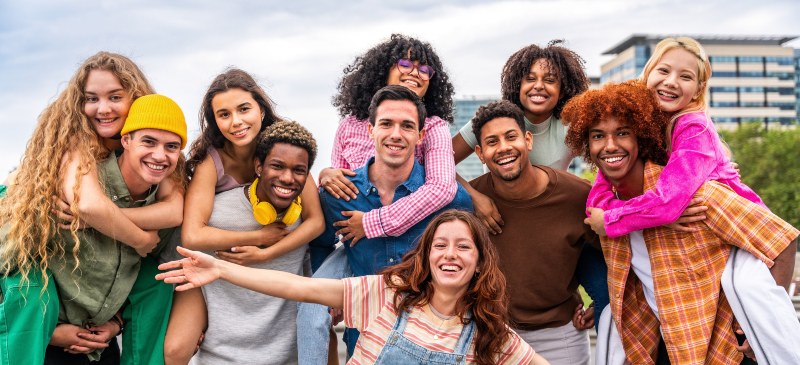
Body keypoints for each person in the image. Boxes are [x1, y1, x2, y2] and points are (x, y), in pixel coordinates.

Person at [563, 80, 800, 364]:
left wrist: (762, 326)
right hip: (667, 345)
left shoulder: (698, 197)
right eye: (598, 136)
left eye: (622, 133)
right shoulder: (608, 214)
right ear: (587, 145)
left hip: (728, 351)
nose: (610, 145)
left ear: (642, 137)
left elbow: (783, 241)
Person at [157, 210, 550, 365]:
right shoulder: (387, 294)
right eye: (440, 245)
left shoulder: (489, 338)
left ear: (480, 261)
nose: (451, 255)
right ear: (427, 256)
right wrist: (222, 269)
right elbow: (297, 287)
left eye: (464, 247)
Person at [0, 52, 183, 365]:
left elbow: (173, 210)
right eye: (91, 98)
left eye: (115, 97)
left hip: (96, 278)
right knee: (29, 293)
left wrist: (97, 221)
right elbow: (87, 204)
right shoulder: (76, 141)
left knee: (156, 282)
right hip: (19, 229)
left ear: (136, 98)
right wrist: (140, 239)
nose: (103, 108)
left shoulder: (155, 141)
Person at [300, 34, 462, 364]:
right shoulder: (349, 125)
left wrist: (372, 223)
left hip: (400, 229)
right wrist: (327, 174)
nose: (415, 72)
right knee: (311, 304)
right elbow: (339, 189)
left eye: (424, 68)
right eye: (405, 63)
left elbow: (442, 188)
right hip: (354, 243)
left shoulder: (431, 126)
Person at [163, 69, 324, 365]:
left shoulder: (286, 149)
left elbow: (316, 221)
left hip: (280, 276)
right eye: (224, 115)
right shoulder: (212, 163)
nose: (236, 122)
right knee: (174, 350)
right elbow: (193, 235)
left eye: (244, 109)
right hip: (211, 274)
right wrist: (258, 237)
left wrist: (268, 253)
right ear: (215, 122)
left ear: (261, 110)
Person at [452, 41, 606, 327]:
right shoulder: (495, 121)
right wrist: (474, 197)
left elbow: (610, 160)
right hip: (504, 228)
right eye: (530, 78)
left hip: (558, 232)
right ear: (516, 83)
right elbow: (440, 163)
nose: (539, 86)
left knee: (610, 292)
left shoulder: (571, 125)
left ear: (563, 88)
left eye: (550, 80)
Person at [468, 100, 598, 365]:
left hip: (561, 334)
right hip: (492, 334)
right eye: (492, 142)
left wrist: (605, 301)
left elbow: (614, 251)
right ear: (480, 154)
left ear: (528, 140)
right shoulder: (470, 203)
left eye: (511, 137)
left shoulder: (577, 195)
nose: (503, 148)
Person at [182, 120, 316, 364]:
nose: (288, 178)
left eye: (299, 171)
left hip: (290, 358)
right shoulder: (217, 214)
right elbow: (188, 241)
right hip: (219, 358)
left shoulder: (304, 223)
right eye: (277, 166)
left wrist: (265, 254)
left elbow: (319, 226)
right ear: (258, 166)